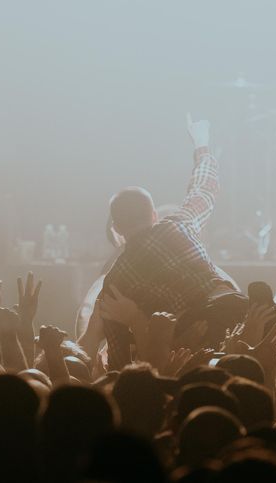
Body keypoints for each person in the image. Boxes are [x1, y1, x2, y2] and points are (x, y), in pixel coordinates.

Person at [95, 115, 239, 370]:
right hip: (234, 317)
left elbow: (119, 358)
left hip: (185, 356)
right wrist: (201, 144)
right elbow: (205, 187)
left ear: (116, 228)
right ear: (153, 216)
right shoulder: (179, 225)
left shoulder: (115, 282)